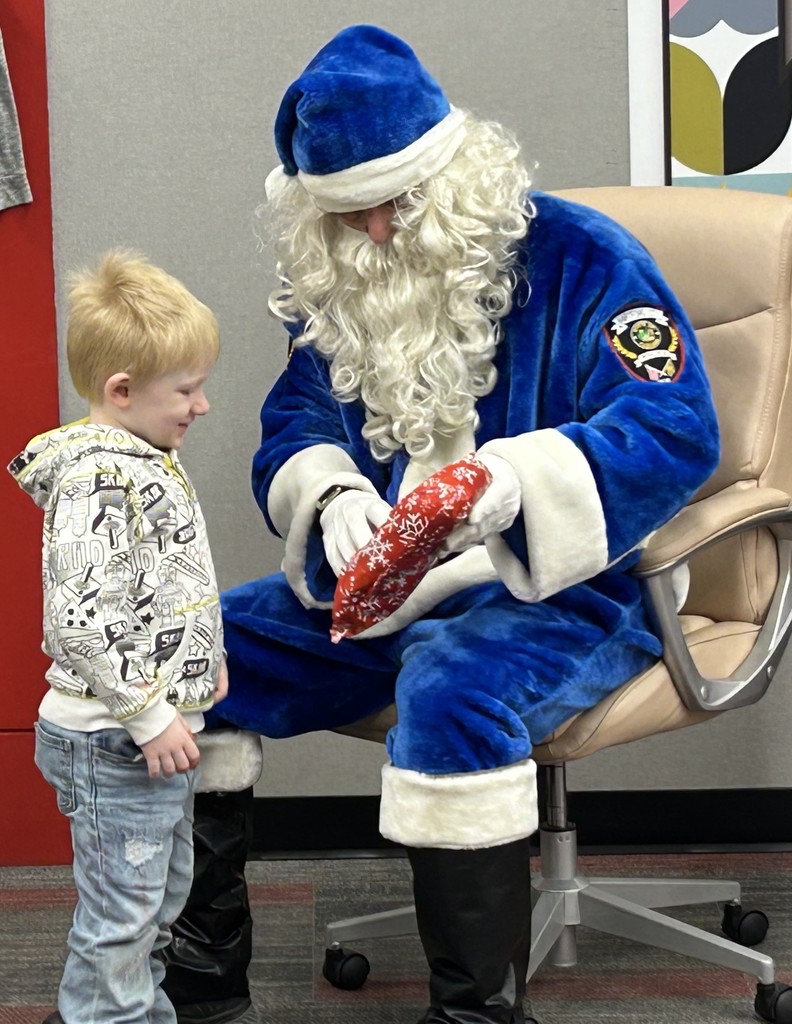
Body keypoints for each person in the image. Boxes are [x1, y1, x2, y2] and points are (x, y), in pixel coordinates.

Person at [165, 24, 721, 1024]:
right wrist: (328, 491)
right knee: (190, 654)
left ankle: (476, 1013)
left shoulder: (583, 257)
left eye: (394, 205)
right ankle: (199, 982)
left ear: (453, 173)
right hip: (383, 590)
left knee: (453, 689)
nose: (375, 235)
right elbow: (295, 418)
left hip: (567, 587)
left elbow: (676, 429)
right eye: (348, 217)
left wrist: (512, 481)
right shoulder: (345, 279)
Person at [7, 251, 227, 1024]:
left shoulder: (141, 458)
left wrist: (197, 672)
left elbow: (153, 589)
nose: (201, 406)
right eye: (187, 390)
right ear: (122, 392)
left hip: (143, 739)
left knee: (154, 909)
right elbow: (80, 618)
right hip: (113, 743)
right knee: (121, 926)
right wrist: (148, 712)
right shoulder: (98, 478)